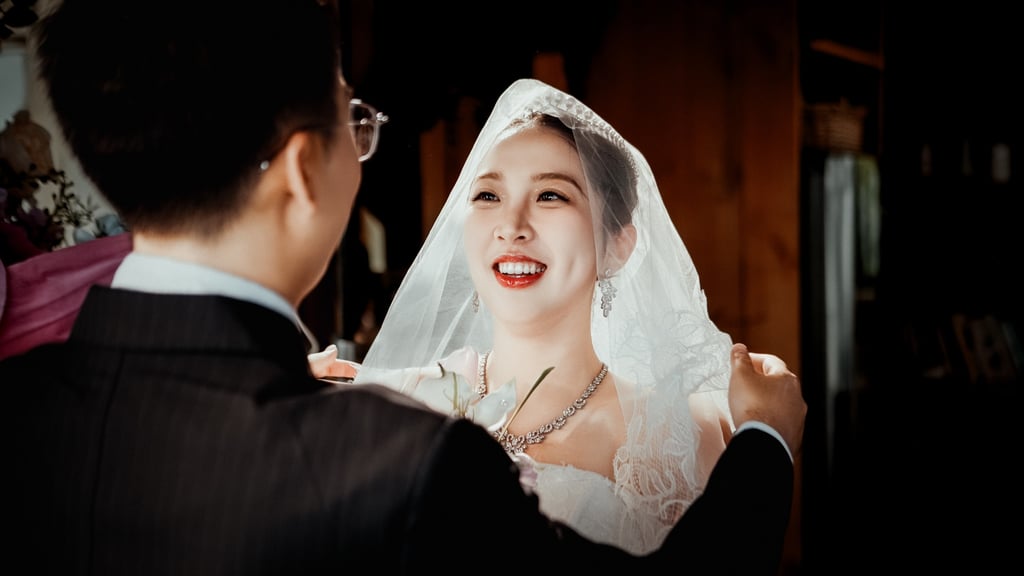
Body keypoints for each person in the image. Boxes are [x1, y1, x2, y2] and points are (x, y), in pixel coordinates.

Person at [2, 0, 805, 573]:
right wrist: (768, 443)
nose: (510, 223)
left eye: (552, 197)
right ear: (303, 171)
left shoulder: (19, 409)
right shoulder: (404, 463)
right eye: (353, 121)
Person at [343, 78, 735, 554]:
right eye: (488, 196)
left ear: (617, 246)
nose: (511, 228)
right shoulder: (388, 405)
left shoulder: (679, 438)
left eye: (551, 195)